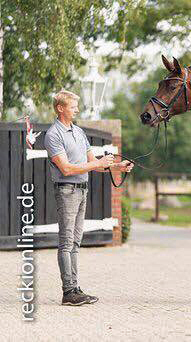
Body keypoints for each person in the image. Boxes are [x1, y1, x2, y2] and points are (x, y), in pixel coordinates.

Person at [44, 90, 133, 306]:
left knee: (75, 242)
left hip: (82, 190)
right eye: (73, 106)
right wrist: (97, 164)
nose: (77, 109)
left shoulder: (78, 132)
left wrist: (117, 166)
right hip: (67, 190)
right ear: (60, 108)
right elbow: (66, 169)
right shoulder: (53, 135)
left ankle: (74, 288)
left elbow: (94, 162)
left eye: (76, 106)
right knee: (66, 243)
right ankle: (68, 292)